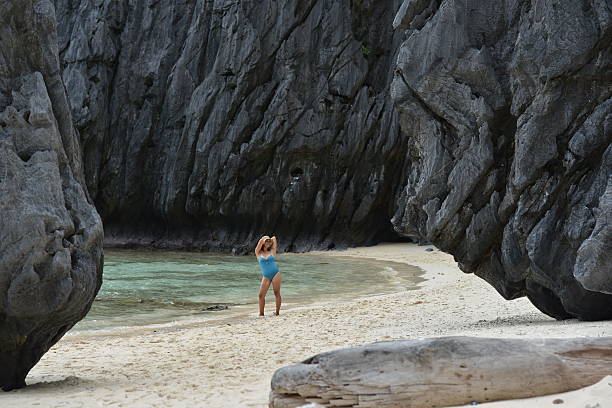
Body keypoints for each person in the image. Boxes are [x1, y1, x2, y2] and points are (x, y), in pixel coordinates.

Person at [255, 235, 281, 316]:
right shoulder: (258, 253)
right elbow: (259, 243)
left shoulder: (272, 251)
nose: (267, 243)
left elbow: (274, 238)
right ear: (262, 242)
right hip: (266, 276)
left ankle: (277, 313)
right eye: (266, 241)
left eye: (268, 242)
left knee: (276, 292)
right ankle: (261, 314)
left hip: (275, 273)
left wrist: (269, 240)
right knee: (261, 295)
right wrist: (264, 239)